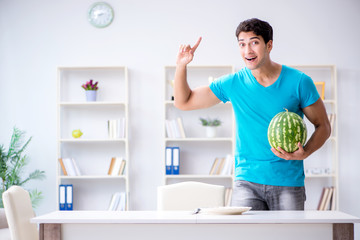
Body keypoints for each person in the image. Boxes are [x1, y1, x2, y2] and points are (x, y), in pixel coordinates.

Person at [173, 18, 331, 210]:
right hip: (246, 183)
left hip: (288, 182)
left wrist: (305, 152)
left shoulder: (299, 82)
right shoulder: (233, 83)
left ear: (269, 45)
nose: (247, 50)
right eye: (242, 44)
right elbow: (184, 102)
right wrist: (181, 66)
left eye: (254, 42)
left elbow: (323, 126)